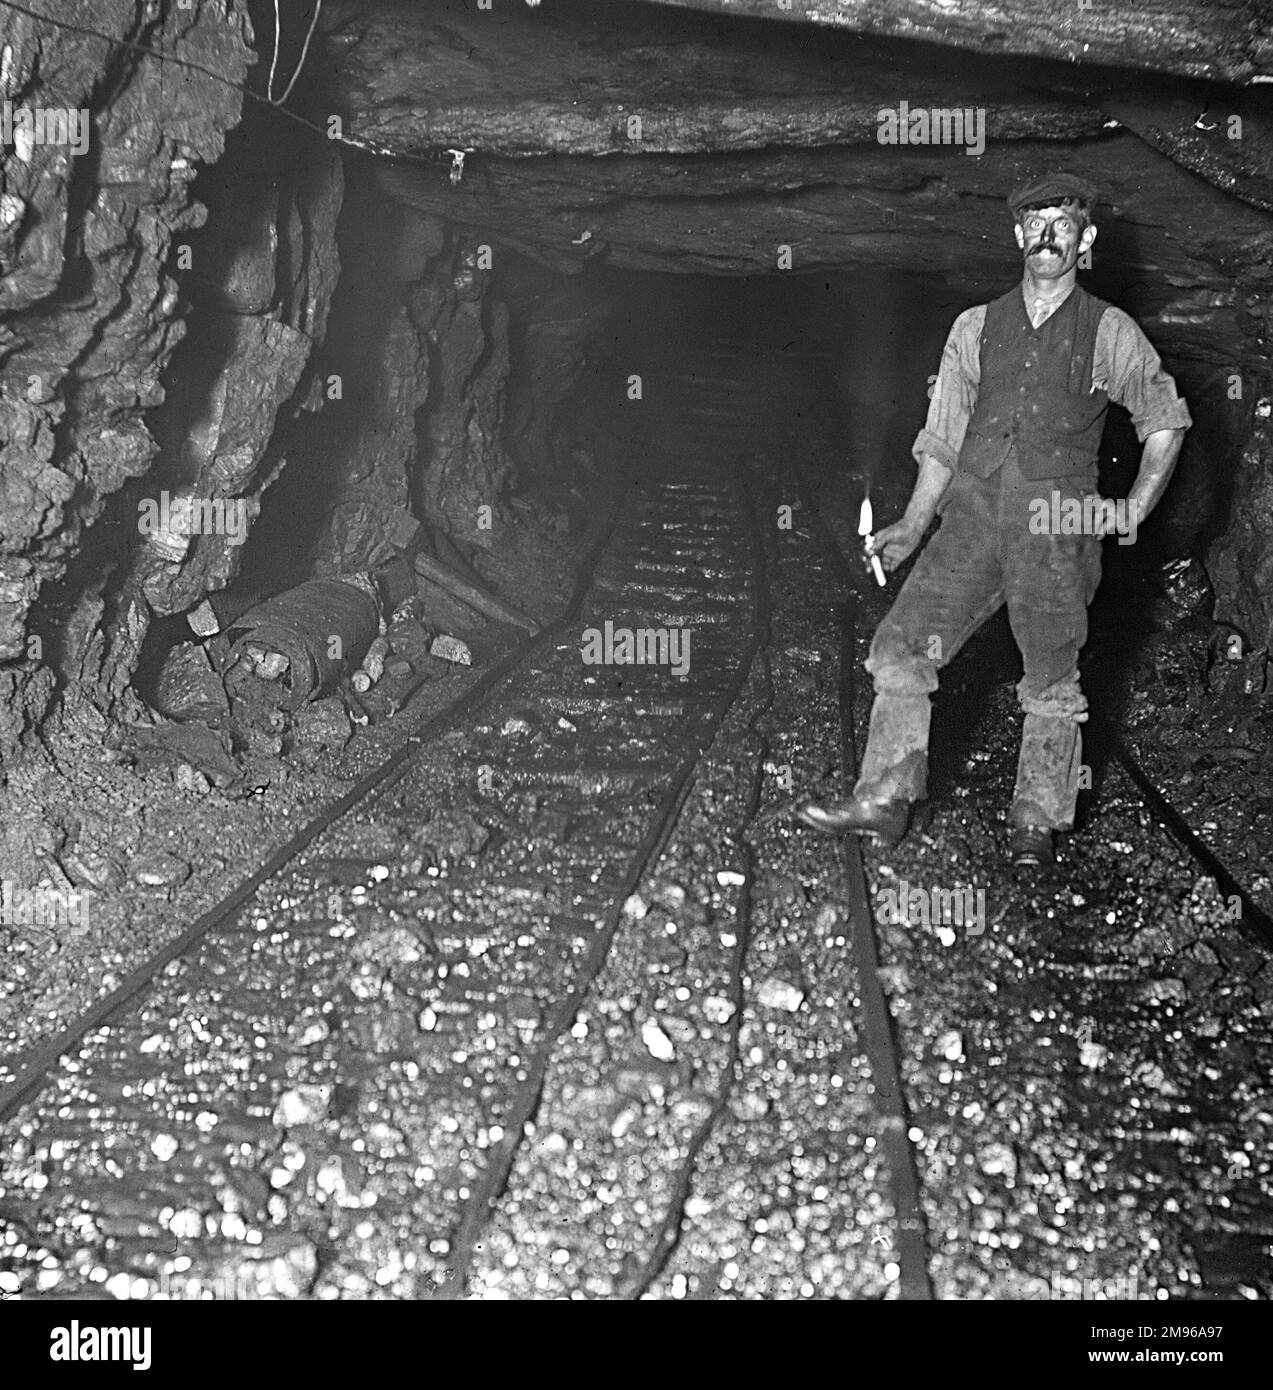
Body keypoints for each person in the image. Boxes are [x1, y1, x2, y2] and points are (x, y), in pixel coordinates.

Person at [798, 173, 1191, 866]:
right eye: (1034, 224)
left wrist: (1131, 507)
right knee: (900, 646)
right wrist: (914, 524)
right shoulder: (974, 328)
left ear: (1085, 239)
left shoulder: (1110, 333)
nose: (1046, 237)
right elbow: (943, 438)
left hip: (1055, 531)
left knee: (1050, 677)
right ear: (1015, 235)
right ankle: (885, 800)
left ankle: (1035, 822)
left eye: (1061, 225)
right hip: (973, 521)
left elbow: (1164, 421)